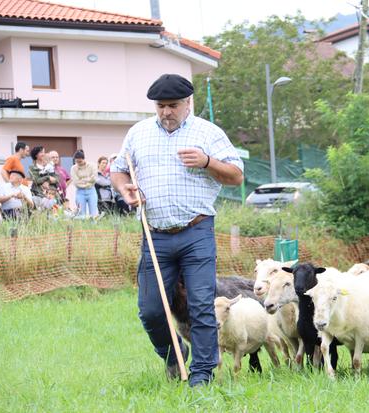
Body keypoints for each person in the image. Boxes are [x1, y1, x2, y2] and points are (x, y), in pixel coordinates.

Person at [110, 74, 244, 387]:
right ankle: (175, 358)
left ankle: (201, 376)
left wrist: (207, 161)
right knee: (151, 310)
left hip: (196, 232)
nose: (166, 111)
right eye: (160, 106)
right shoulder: (138, 133)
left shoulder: (207, 133)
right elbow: (118, 169)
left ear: (187, 104)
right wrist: (126, 190)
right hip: (154, 234)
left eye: (173, 105)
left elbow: (237, 175)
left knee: (200, 305)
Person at [29, 145, 60, 210]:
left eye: (44, 152)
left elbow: (57, 179)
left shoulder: (49, 165)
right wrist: (48, 178)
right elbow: (36, 180)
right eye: (41, 152)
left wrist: (48, 182)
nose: (43, 154)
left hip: (52, 194)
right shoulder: (32, 167)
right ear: (36, 155)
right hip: (39, 195)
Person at [70, 150, 99, 219]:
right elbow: (76, 182)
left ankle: (93, 227)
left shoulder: (92, 165)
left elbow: (94, 178)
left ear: (84, 159)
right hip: (80, 192)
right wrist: (88, 181)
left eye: (80, 161)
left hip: (91, 190)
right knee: (81, 213)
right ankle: (82, 228)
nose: (78, 163)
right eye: (76, 161)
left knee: (93, 212)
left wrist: (82, 180)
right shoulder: (73, 168)